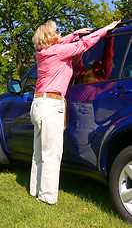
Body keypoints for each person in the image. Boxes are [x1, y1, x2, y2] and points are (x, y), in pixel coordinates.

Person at [30, 19, 121, 205]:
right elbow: (84, 44)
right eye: (57, 32)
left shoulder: (42, 52)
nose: (60, 34)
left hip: (38, 104)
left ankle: (34, 189)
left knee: (38, 152)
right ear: (50, 38)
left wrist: (75, 32)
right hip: (50, 105)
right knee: (51, 153)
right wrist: (106, 29)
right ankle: (47, 196)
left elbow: (64, 42)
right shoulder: (57, 52)